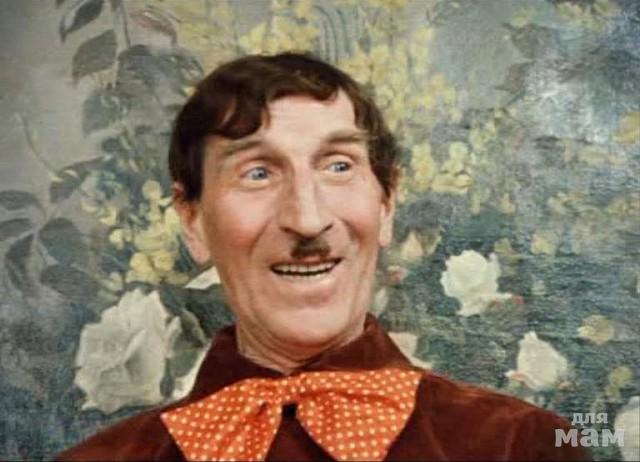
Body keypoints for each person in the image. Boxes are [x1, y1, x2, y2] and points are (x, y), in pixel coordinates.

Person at [57, 52, 589, 461]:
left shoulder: (526, 446)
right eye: (257, 173)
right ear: (192, 219)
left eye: (338, 166)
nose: (307, 219)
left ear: (386, 203)